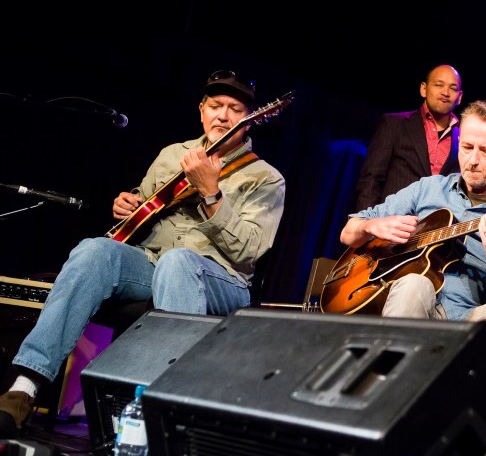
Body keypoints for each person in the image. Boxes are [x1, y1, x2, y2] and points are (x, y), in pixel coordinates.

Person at [0, 70, 287, 437]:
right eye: (215, 106)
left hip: (221, 279)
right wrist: (128, 204)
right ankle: (24, 388)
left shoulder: (266, 178)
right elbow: (145, 206)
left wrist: (212, 195)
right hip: (153, 264)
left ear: (249, 121)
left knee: (179, 262)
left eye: (234, 109)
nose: (222, 115)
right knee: (95, 250)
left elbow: (249, 250)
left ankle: (155, 416)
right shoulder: (172, 155)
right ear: (202, 110)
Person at [341, 100, 486, 366]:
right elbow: (348, 234)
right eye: (466, 148)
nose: (473, 161)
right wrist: (369, 225)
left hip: (473, 319)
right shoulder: (428, 189)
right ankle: (386, 391)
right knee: (414, 282)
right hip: (419, 307)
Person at [353, 63, 463, 212]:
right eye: (439, 85)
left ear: (459, 97)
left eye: (453, 88)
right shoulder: (394, 124)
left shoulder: (464, 139)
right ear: (423, 89)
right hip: (390, 224)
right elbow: (371, 181)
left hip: (435, 230)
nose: (446, 92)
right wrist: (367, 227)